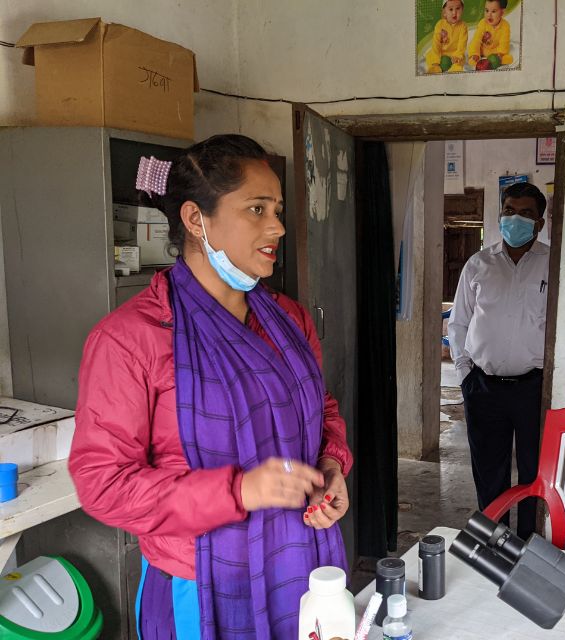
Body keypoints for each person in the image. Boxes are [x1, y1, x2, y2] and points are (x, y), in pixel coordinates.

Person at [68, 135, 352, 638]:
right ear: (196, 219)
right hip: (201, 588)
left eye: (278, 209)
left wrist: (331, 466)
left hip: (299, 567)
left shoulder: (288, 321)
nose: (278, 227)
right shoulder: (133, 339)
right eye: (256, 209)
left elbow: (320, 410)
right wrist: (239, 490)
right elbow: (103, 483)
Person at [448, 182, 549, 540]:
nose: (515, 218)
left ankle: (528, 542)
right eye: (508, 210)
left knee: (535, 471)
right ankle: (494, 541)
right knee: (489, 471)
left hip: (534, 388)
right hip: (485, 386)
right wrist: (465, 375)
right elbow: (458, 322)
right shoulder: (479, 264)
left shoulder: (551, 264)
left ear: (539, 221)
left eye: (525, 212)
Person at [468, 0, 514, 69]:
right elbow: (476, 41)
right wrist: (475, 54)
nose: (489, 15)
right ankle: (478, 58)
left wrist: (501, 54)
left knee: (509, 59)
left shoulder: (505, 26)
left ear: (502, 12)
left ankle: (493, 61)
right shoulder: (483, 23)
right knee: (472, 56)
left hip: (496, 52)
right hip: (482, 50)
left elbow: (504, 42)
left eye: (493, 11)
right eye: (487, 11)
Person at [425, 0, 468, 74]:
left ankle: (454, 70)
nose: (454, 13)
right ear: (445, 12)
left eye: (458, 8)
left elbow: (462, 45)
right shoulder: (440, 24)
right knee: (430, 55)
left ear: (462, 10)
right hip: (440, 53)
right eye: (451, 9)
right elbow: (436, 44)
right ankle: (435, 67)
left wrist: (457, 56)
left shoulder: (463, 26)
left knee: (460, 61)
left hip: (455, 54)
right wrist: (435, 61)